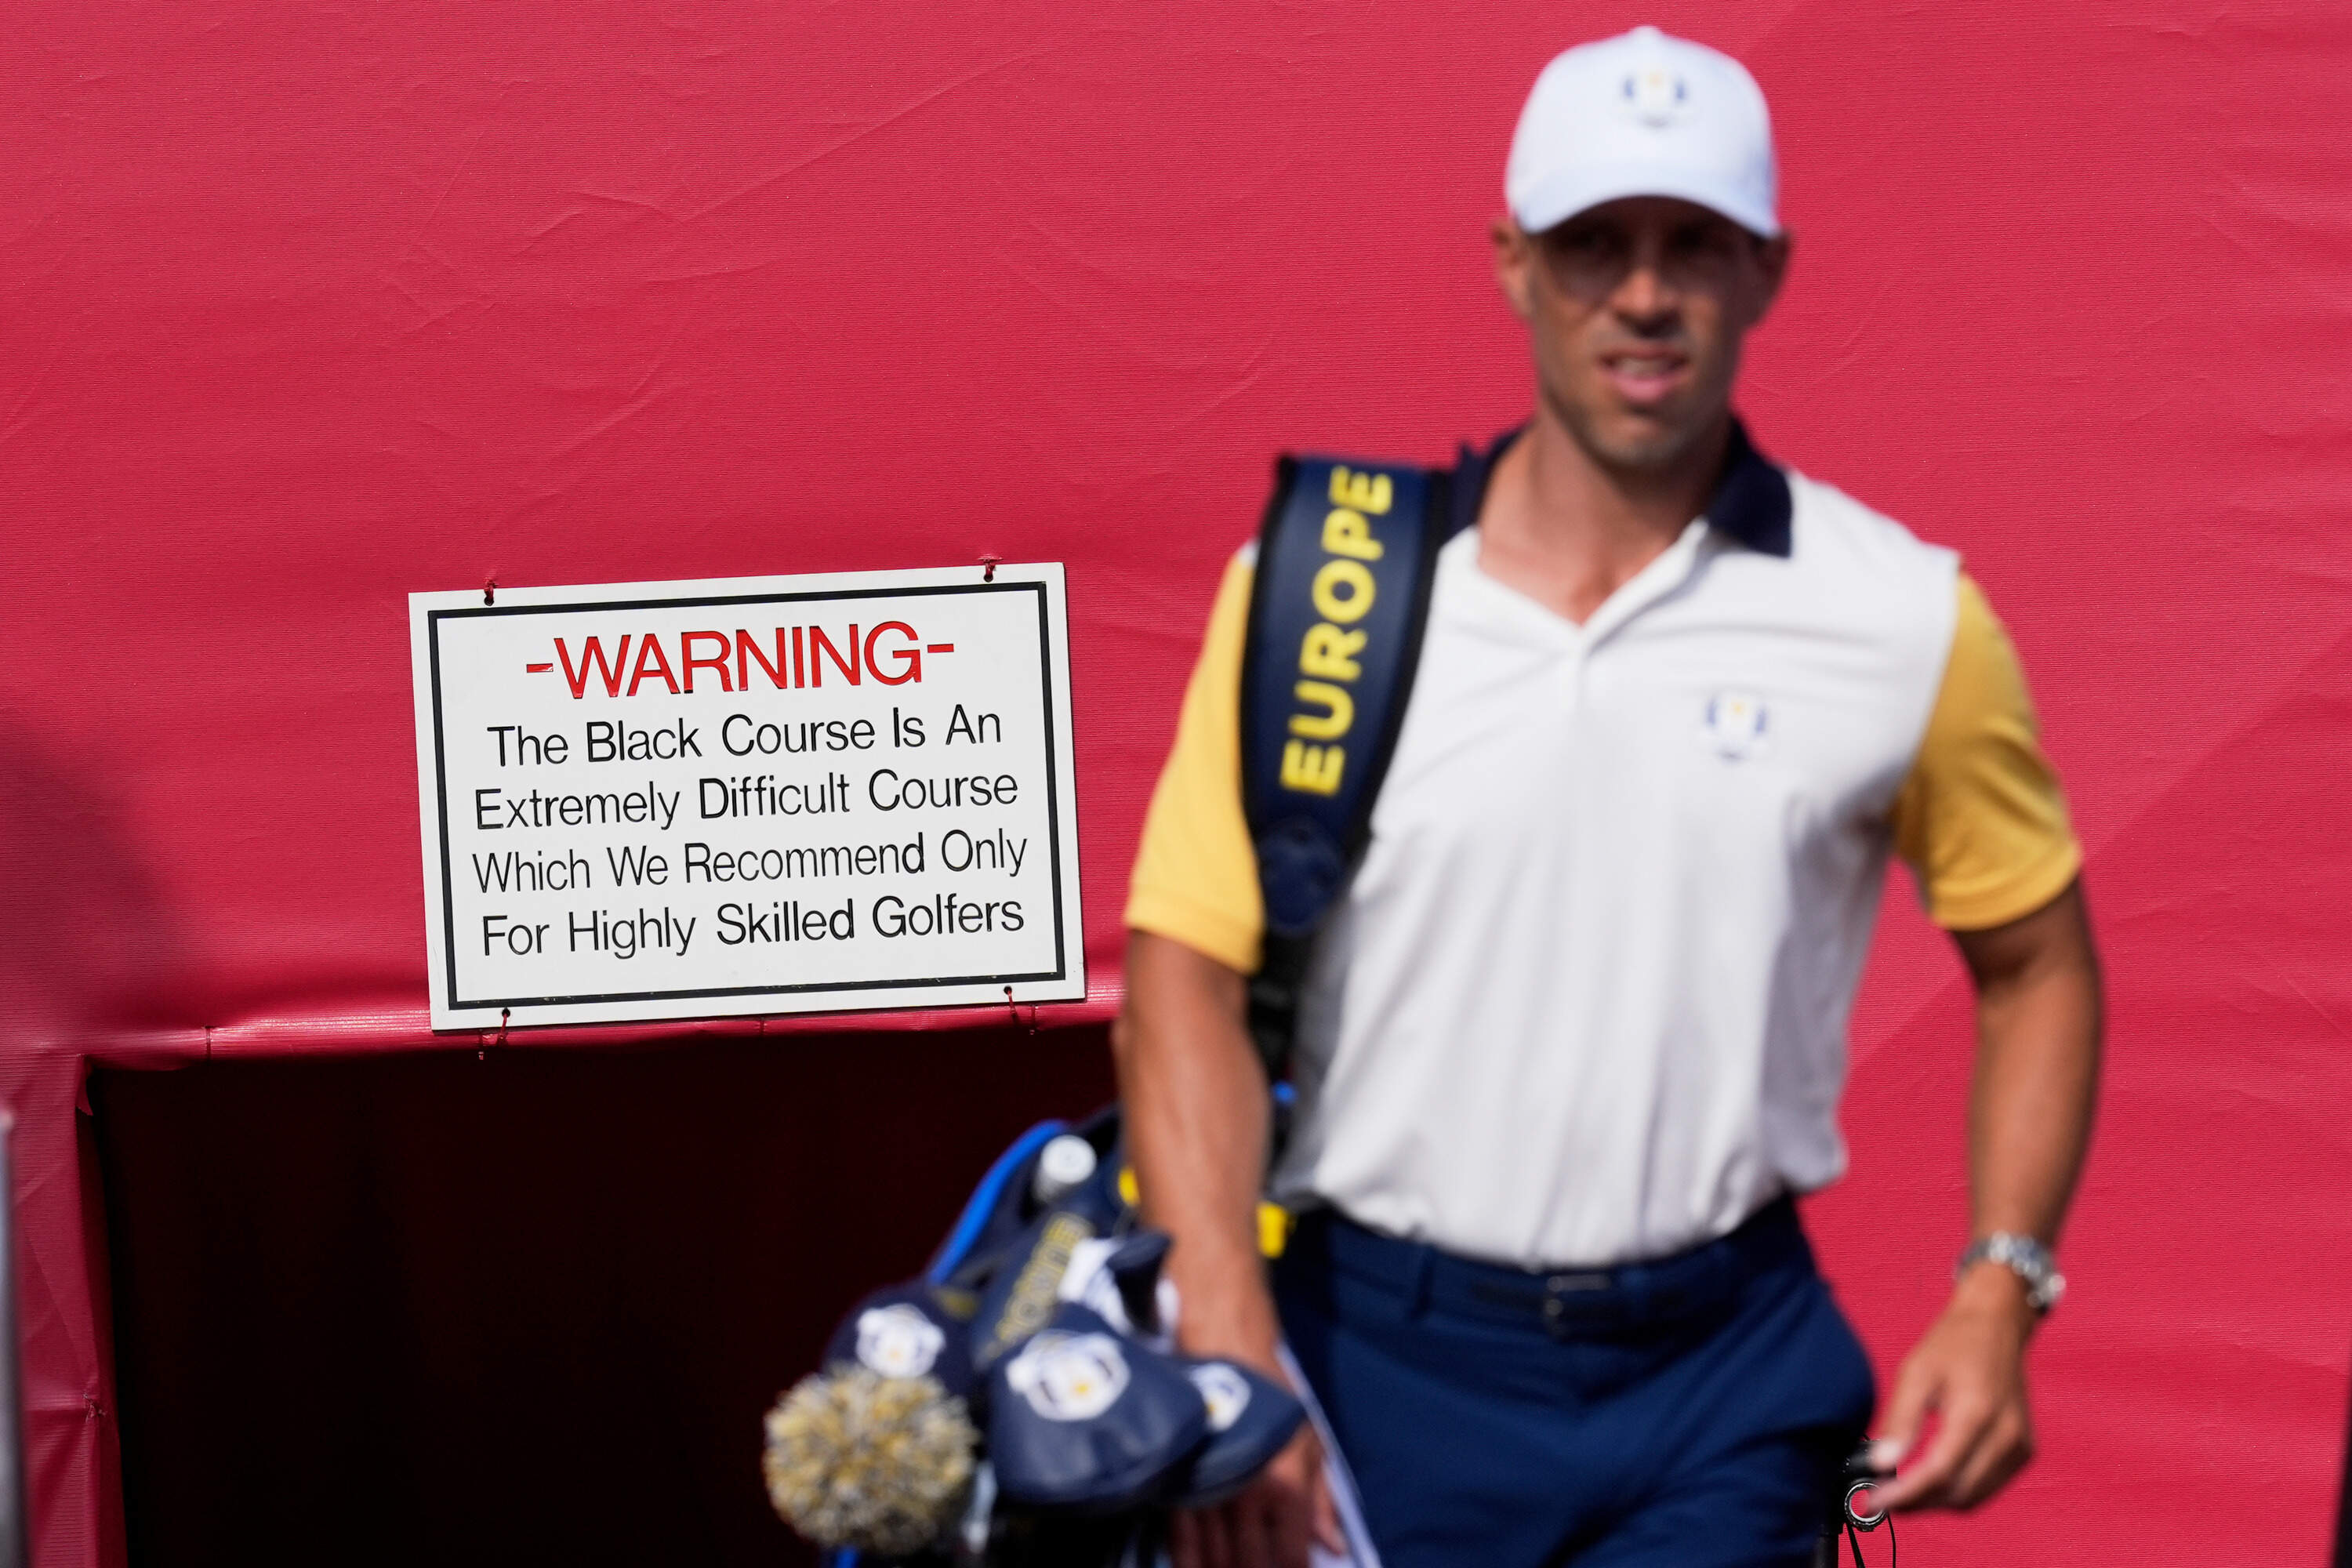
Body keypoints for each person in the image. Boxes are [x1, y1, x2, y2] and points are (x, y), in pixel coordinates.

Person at [1111, 24, 2103, 1568]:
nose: (1644, 295)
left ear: (1766, 269)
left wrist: (2001, 1282)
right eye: (1595, 246)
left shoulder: (1903, 615)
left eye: (1692, 245)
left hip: (1720, 1375)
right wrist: (1227, 1323)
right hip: (1376, 1356)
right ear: (1512, 263)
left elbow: (2039, 963)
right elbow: (1182, 961)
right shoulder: (1322, 589)